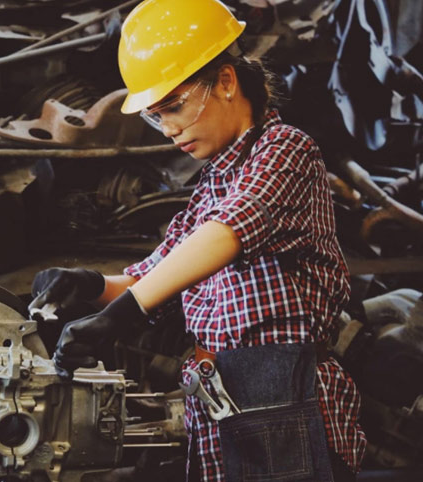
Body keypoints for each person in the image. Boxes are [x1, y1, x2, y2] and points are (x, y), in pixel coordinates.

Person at [28, 0, 366, 480]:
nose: (168, 129)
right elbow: (151, 278)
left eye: (175, 106)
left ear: (226, 81)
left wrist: (119, 316)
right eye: (155, 116)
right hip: (222, 400)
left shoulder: (286, 150)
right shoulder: (211, 185)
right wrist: (86, 284)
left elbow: (227, 233)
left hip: (283, 400)